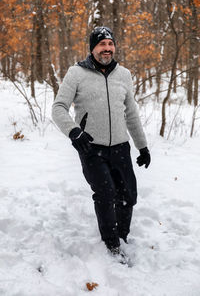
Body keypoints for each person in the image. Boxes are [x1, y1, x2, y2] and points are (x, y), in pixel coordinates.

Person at [52, 26, 150, 263]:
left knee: (128, 195)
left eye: (110, 44)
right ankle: (112, 244)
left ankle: (122, 235)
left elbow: (132, 113)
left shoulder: (124, 75)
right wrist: (74, 132)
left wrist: (142, 146)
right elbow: (58, 108)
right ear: (93, 48)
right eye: (102, 45)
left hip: (121, 146)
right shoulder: (76, 74)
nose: (107, 49)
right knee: (106, 193)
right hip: (91, 147)